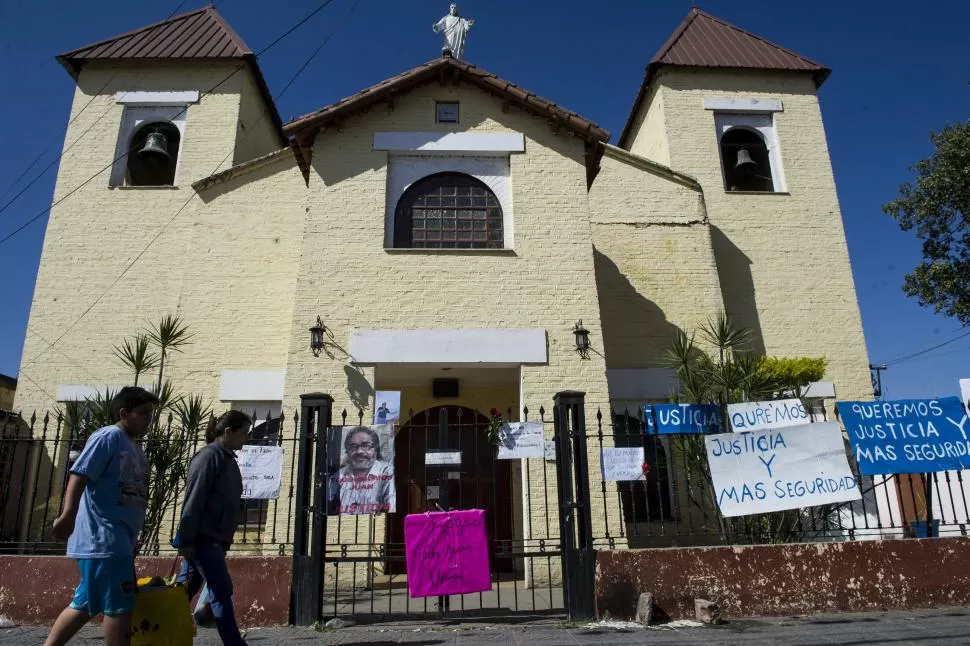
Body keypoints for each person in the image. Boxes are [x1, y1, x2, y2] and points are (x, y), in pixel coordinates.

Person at [44, 386, 158, 646]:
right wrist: (68, 515)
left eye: (151, 413)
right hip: (104, 539)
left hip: (118, 542)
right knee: (119, 607)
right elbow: (80, 474)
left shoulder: (135, 448)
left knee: (85, 604)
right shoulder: (107, 437)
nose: (149, 419)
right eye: (143, 413)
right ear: (123, 413)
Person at [174, 410, 252, 646]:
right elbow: (194, 499)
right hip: (203, 537)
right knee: (220, 589)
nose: (245, 439)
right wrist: (186, 539)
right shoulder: (209, 457)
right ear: (228, 432)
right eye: (243, 434)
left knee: (182, 591)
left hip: (214, 536)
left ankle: (160, 628)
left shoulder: (226, 458)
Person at [326, 427, 396, 515]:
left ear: (375, 450)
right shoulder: (338, 476)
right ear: (347, 451)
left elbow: (390, 511)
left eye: (366, 446)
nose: (359, 451)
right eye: (353, 447)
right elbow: (327, 509)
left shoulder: (387, 472)